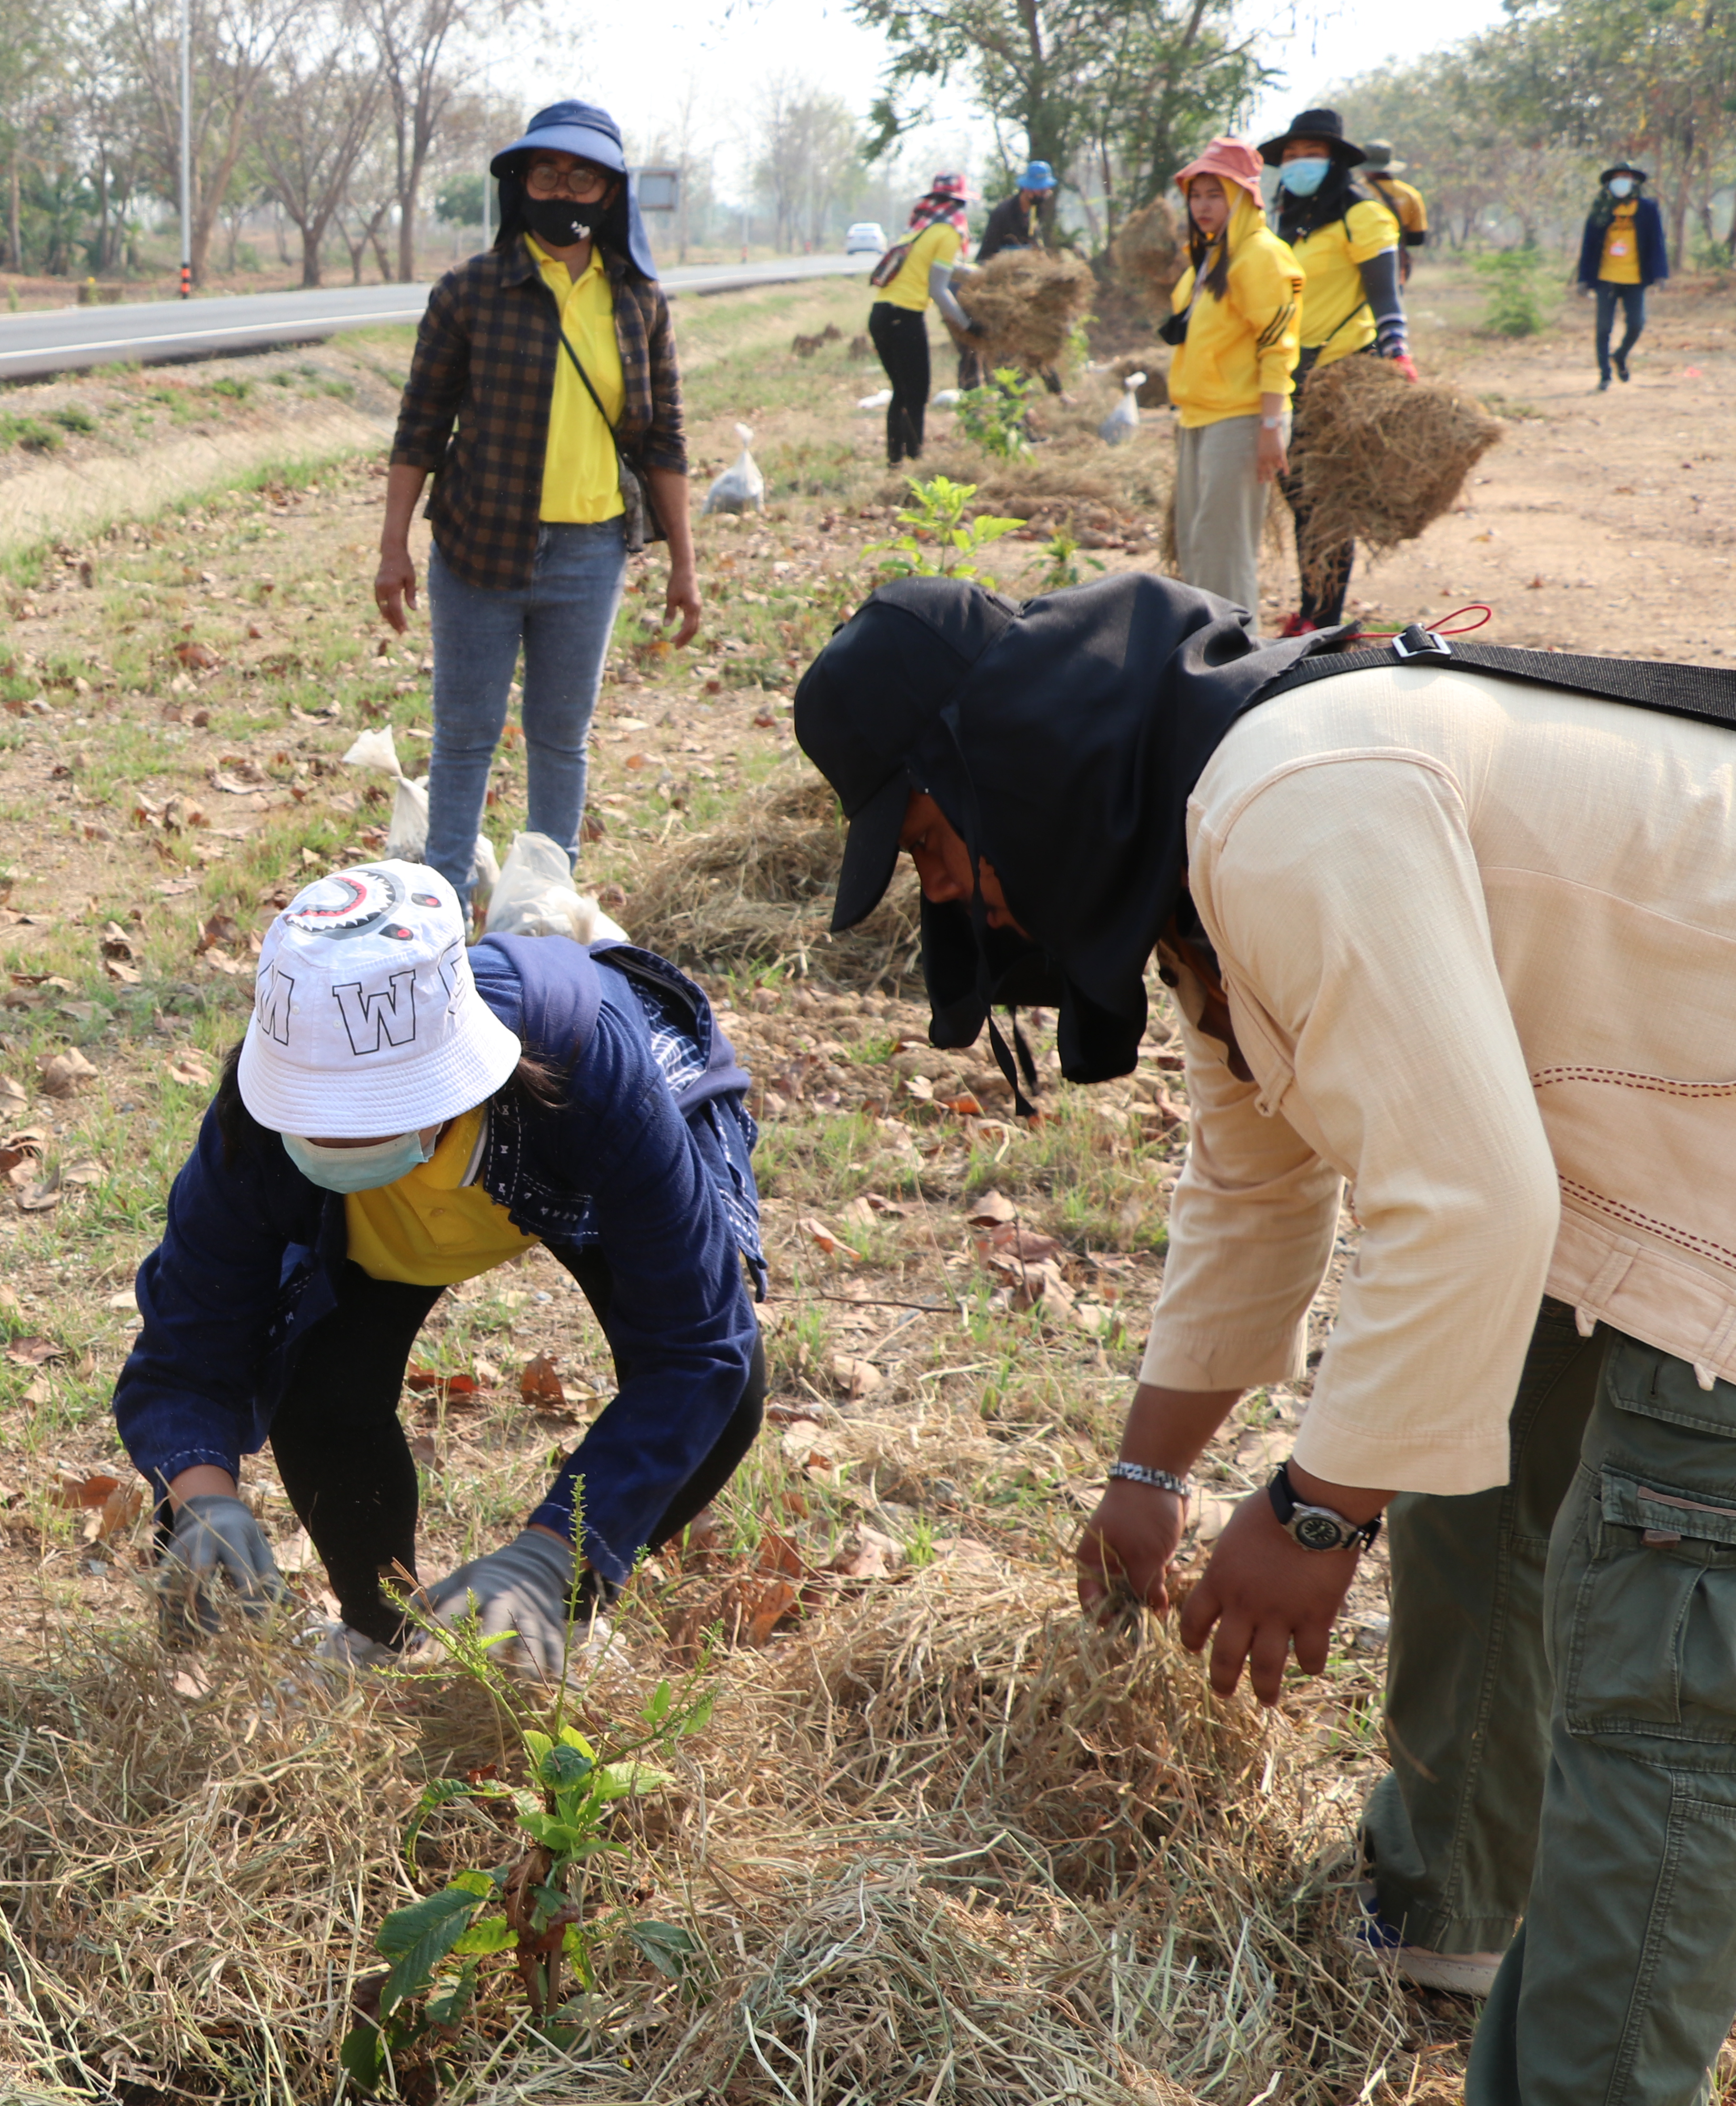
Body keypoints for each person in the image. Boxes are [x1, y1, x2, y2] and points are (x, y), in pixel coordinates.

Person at [794, 569, 1736, 2105]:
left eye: (928, 845)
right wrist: (1148, 1478)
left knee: (1662, 1659)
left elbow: (1466, 1203)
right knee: (1472, 1472)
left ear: (997, 765)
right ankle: (1451, 1909)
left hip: (1696, 1189)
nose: (955, 900)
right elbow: (1251, 1190)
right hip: (1633, 1155)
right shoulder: (1205, 857)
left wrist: (1312, 1506)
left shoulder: (1286, 805)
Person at [112, 861, 764, 1678]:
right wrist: (200, 1497)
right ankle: (383, 1635)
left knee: (728, 1397)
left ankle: (551, 1616)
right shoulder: (253, 1128)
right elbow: (186, 1351)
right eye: (315, 1114)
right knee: (318, 1395)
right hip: (384, 1237)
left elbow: (695, 1348)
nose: (339, 1136)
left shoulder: (589, 1066)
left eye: (371, 1110)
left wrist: (551, 1558)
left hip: (564, 1164)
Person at [376, 101, 701, 909]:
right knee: (464, 737)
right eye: (547, 172)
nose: (564, 188)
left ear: (608, 194)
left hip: (590, 556)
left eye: (582, 176)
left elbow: (663, 442)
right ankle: (443, 909)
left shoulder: (638, 301)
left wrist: (685, 566)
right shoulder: (470, 292)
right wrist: (393, 548)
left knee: (562, 741)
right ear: (520, 184)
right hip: (479, 545)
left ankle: (542, 909)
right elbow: (420, 425)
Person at [1258, 108, 1416, 636]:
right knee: (1298, 496)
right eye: (1293, 156)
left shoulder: (1363, 216)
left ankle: (1323, 620)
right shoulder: (1284, 219)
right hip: (1286, 377)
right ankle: (1313, 610)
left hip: (1340, 378)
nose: (1301, 163)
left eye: (1313, 155)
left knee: (1328, 505)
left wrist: (1399, 352)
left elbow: (1385, 297)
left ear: (1335, 161)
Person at [1161, 138, 1301, 618]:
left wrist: (1269, 427)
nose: (1202, 205)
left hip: (1242, 421)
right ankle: (1204, 659)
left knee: (1224, 556)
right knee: (1199, 549)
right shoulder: (1211, 256)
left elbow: (1278, 346)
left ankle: (1237, 665)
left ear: (1243, 197)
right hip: (1201, 418)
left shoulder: (1262, 256)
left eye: (1215, 194)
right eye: (1196, 194)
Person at [867, 173, 973, 467]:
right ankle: (915, 459)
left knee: (901, 391)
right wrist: (967, 324)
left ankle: (895, 462)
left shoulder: (918, 230)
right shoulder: (949, 233)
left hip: (880, 315)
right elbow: (938, 289)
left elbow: (941, 270)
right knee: (916, 393)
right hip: (905, 316)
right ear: (957, 204)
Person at [961, 162, 1063, 393]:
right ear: (1027, 189)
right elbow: (987, 255)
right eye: (1040, 190)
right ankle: (1006, 396)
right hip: (1004, 290)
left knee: (1041, 336)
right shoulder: (1004, 213)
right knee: (1009, 349)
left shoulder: (1035, 212)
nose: (1044, 194)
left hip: (1025, 288)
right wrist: (1015, 257)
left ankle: (1056, 392)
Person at [1575, 161, 1668, 390]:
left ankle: (1620, 356)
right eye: (1618, 178)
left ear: (1634, 182)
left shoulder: (1647, 209)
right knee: (1603, 327)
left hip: (1635, 278)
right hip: (1606, 277)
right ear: (1609, 183)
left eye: (1627, 177)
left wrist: (1659, 274)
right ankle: (1604, 375)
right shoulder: (1601, 209)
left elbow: (1657, 242)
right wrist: (1584, 279)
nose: (1622, 182)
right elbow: (1588, 244)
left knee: (1637, 324)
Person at [1361, 140, 1431, 284]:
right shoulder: (1410, 194)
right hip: (1395, 263)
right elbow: (1417, 238)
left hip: (1360, 260)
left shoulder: (1354, 192)